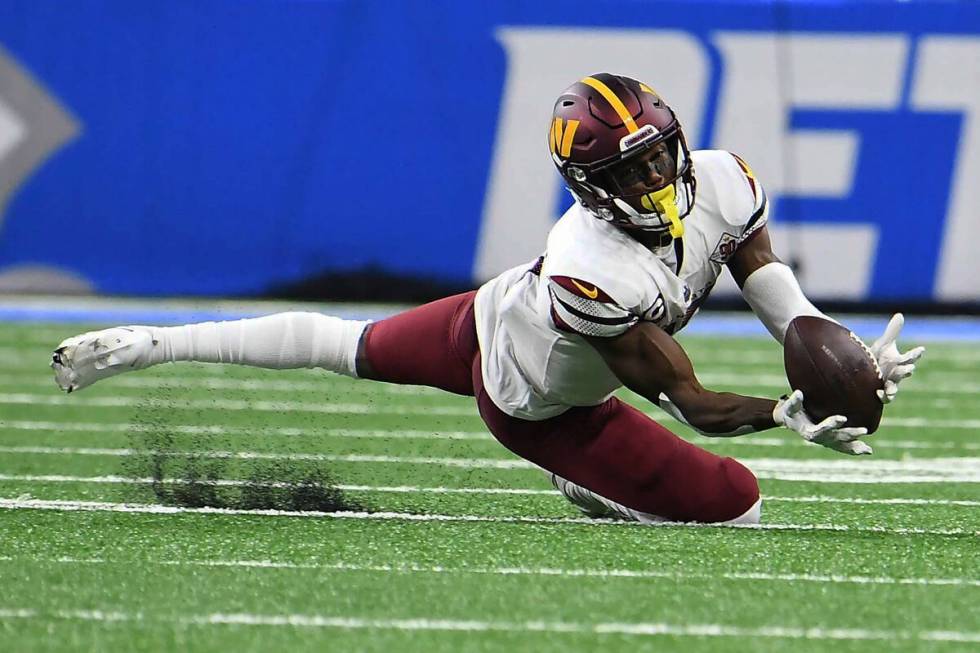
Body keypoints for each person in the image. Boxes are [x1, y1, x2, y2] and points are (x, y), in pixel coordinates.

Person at [51, 73, 924, 525]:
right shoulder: (596, 266)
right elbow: (688, 398)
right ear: (592, 188)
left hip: (491, 306)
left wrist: (823, 339)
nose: (659, 175)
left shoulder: (724, 180)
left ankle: (149, 342)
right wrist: (784, 410)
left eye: (662, 154)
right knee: (741, 504)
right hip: (538, 408)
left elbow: (762, 269)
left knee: (345, 343)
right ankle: (152, 343)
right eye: (633, 169)